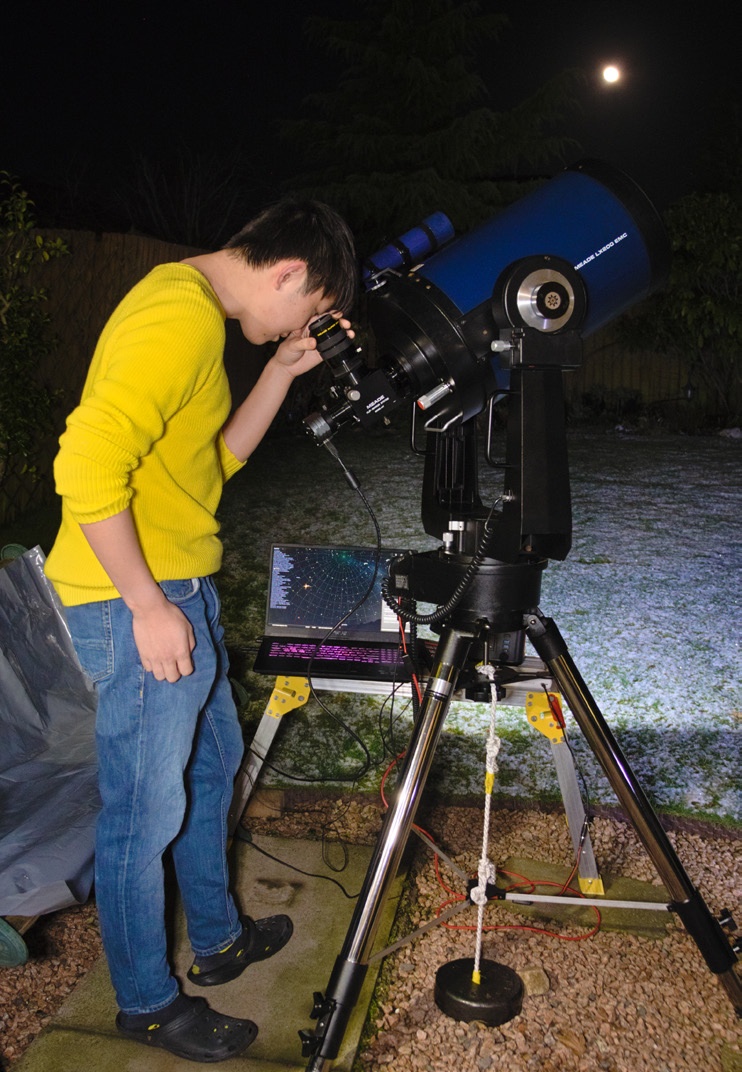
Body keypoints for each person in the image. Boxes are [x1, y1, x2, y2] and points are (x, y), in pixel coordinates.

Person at [45, 199, 357, 1062]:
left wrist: (285, 371)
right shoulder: (175, 314)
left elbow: (210, 463)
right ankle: (145, 1002)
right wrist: (148, 605)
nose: (304, 325)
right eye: (312, 310)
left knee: (212, 771)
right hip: (132, 600)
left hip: (181, 587)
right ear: (292, 272)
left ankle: (217, 944)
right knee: (142, 816)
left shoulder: (197, 317)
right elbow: (84, 465)